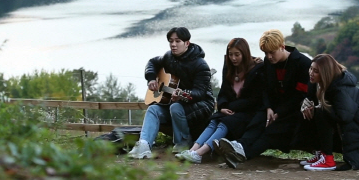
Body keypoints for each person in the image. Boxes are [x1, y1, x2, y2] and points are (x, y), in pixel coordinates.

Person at [216, 29, 312, 168]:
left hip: (293, 110)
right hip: (272, 105)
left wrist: (279, 112)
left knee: (271, 131)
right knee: (258, 119)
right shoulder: (268, 62)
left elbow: (300, 95)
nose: (269, 56)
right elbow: (266, 87)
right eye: (266, 53)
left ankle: (242, 154)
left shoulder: (302, 64)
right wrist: (268, 107)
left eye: (272, 52)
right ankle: (240, 146)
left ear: (282, 47)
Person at [128, 27, 215, 159]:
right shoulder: (168, 57)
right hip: (174, 102)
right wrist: (151, 78)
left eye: (177, 41)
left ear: (187, 43)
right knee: (153, 109)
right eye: (171, 41)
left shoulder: (200, 64)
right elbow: (152, 62)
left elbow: (200, 93)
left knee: (176, 106)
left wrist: (183, 95)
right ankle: (144, 146)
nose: (173, 45)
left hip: (202, 105)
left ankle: (184, 142)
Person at [176, 38, 265, 163]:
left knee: (224, 123)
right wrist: (222, 106)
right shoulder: (229, 67)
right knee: (214, 121)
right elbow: (224, 91)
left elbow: (254, 99)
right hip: (230, 109)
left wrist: (233, 107)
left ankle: (200, 153)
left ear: (244, 54)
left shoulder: (256, 69)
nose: (233, 58)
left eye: (237, 55)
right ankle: (193, 150)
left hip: (247, 112)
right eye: (231, 54)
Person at [300, 54, 359, 171]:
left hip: (356, 130)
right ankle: (322, 154)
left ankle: (328, 160)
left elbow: (344, 117)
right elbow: (310, 99)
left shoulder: (340, 89)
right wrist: (307, 105)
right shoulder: (321, 84)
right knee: (312, 112)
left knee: (320, 112)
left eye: (316, 71)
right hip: (343, 128)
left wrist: (320, 107)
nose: (311, 73)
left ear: (325, 73)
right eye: (311, 68)